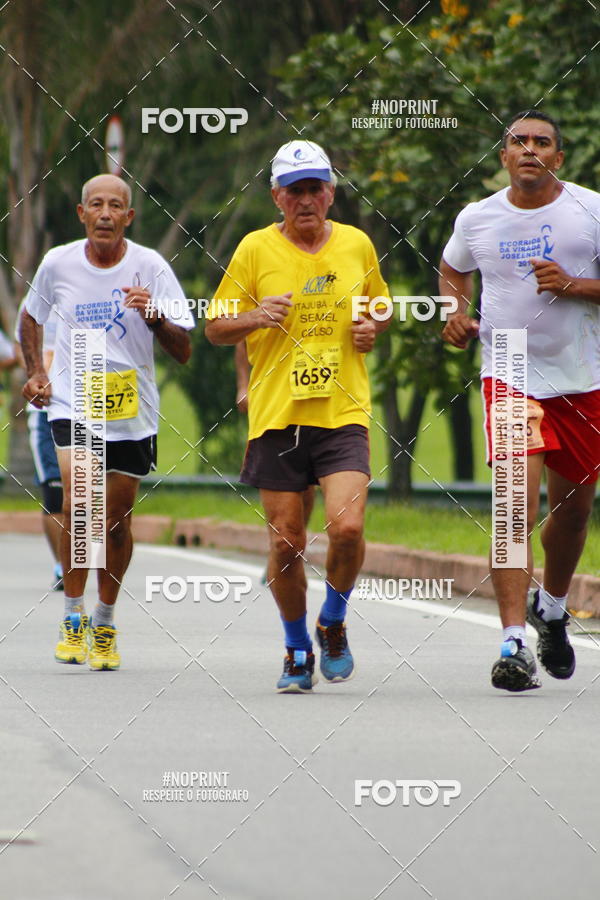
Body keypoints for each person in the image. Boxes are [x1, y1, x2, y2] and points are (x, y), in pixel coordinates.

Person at [206, 140, 390, 693]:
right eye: (295, 190)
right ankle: (294, 647)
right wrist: (255, 316)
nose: (306, 200)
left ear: (331, 194)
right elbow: (215, 326)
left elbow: (378, 306)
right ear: (276, 198)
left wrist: (371, 329)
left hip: (343, 410)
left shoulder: (357, 245)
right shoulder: (254, 250)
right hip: (277, 417)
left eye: (316, 188)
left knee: (348, 527)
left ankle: (332, 620)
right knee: (286, 542)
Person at [440, 110, 600, 692]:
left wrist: (573, 285)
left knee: (574, 511)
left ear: (559, 157)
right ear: (503, 156)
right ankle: (512, 641)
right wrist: (456, 314)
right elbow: (453, 269)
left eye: (543, 142)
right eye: (518, 141)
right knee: (514, 507)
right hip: (506, 365)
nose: (530, 149)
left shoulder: (591, 210)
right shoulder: (478, 218)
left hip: (584, 377)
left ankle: (552, 609)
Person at [20, 174, 194, 670]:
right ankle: (72, 616)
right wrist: (36, 371)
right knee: (81, 503)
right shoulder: (58, 263)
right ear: (81, 214)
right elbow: (30, 318)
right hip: (75, 403)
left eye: (114, 206)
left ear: (128, 217)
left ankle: (105, 619)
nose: (104, 213)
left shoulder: (151, 267)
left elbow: (183, 349)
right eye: (95, 204)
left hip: (131, 415)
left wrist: (155, 317)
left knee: (115, 524)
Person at [234, 339, 316, 585]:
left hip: (315, 394)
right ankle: (278, 546)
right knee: (276, 480)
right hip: (273, 398)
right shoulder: (271, 302)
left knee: (307, 482)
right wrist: (243, 386)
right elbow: (243, 340)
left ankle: (295, 544)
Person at [14, 302, 64, 590]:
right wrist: (38, 373)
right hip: (46, 413)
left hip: (90, 412)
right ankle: (62, 566)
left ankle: (84, 560)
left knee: (87, 493)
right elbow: (21, 350)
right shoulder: (37, 301)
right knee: (54, 492)